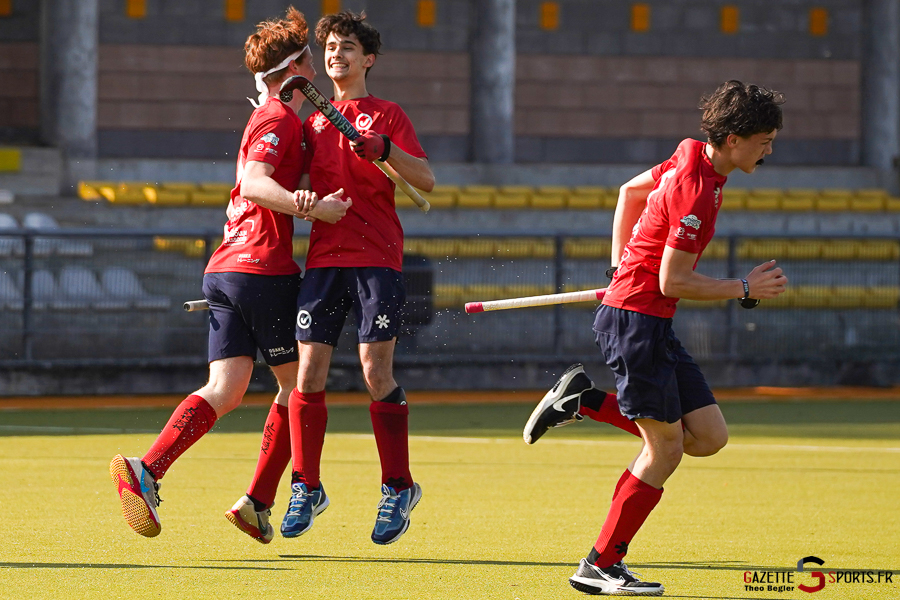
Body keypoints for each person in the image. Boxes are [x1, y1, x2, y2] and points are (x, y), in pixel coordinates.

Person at [523, 80, 788, 595]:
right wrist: (744, 287)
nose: (769, 150)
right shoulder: (696, 192)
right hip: (635, 323)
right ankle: (600, 564)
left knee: (707, 438)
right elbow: (674, 281)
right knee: (665, 449)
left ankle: (584, 400)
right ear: (733, 138)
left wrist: (619, 262)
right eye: (764, 140)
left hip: (650, 321)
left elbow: (630, 193)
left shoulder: (692, 155)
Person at [109, 6, 351, 541]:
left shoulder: (269, 117)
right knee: (299, 387)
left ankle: (147, 471)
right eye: (310, 61)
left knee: (228, 386)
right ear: (294, 72)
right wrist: (309, 208)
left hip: (227, 268)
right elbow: (256, 185)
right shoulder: (277, 117)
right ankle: (260, 500)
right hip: (262, 268)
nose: (317, 69)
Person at [274, 10, 435, 546]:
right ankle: (307, 485)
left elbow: (427, 180)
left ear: (368, 58)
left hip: (377, 257)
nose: (335, 54)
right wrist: (301, 201)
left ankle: (397, 486)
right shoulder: (311, 121)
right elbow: (291, 184)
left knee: (373, 370)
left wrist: (385, 150)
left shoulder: (388, 114)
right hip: (324, 259)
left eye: (346, 47)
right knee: (309, 373)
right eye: (330, 47)